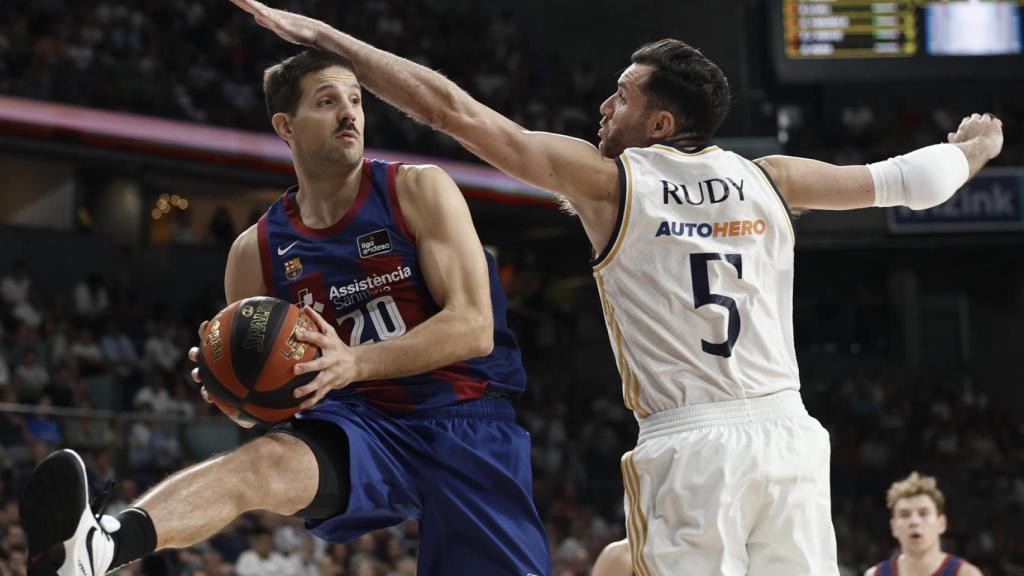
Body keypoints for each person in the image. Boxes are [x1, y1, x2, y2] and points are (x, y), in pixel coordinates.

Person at [226, 2, 1005, 574]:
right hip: (792, 437)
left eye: (624, 95)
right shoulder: (773, 178)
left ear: (661, 125)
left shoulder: (611, 184)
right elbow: (908, 181)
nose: (606, 104)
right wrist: (969, 153)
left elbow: (452, 110)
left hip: (694, 444)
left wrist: (329, 41)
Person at [20, 50, 550, 576]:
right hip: (360, 426)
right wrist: (236, 395)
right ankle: (101, 547)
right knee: (260, 462)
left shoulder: (416, 188)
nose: (349, 113)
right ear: (285, 126)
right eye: (327, 101)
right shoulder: (255, 252)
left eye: (356, 100)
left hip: (464, 420)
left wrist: (355, 363)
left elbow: (473, 327)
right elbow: (266, 408)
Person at [865, 472, 982, 576]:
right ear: (893, 527)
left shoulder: (965, 573)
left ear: (941, 523)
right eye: (905, 515)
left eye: (923, 513)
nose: (914, 522)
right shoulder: (875, 574)